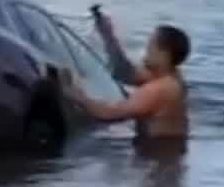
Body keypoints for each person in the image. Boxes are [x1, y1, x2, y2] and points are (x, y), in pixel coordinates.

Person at [61, 10, 190, 140]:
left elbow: (107, 113)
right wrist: (108, 35)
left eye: (151, 47)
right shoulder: (171, 75)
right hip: (163, 149)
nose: (146, 51)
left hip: (157, 153)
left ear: (164, 55)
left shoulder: (160, 89)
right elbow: (124, 73)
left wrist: (78, 96)